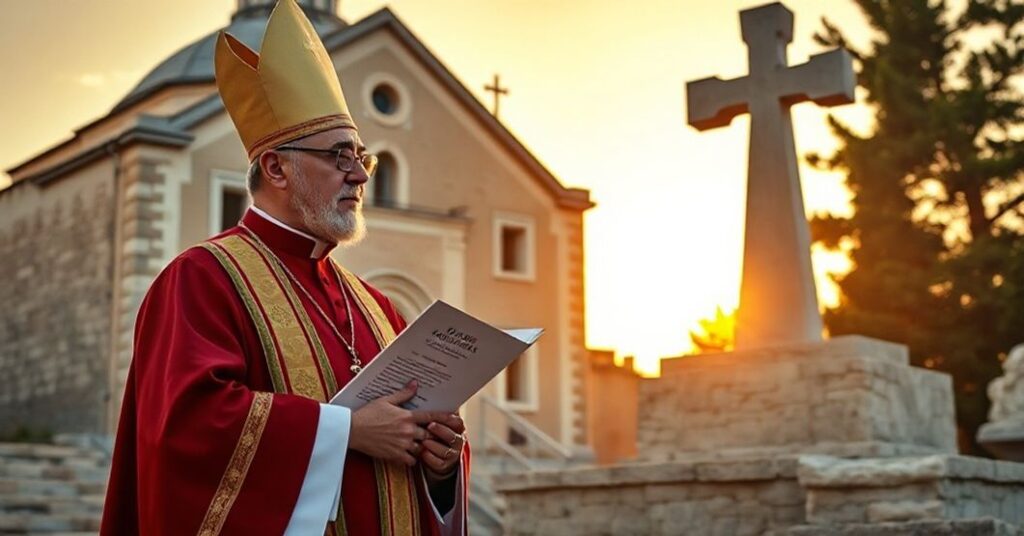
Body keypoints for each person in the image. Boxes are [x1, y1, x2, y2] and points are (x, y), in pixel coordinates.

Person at [99, 1, 468, 534]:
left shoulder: (377, 305)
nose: (359, 177)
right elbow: (185, 430)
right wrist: (346, 432)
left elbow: (408, 439)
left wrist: (440, 462)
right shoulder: (202, 278)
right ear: (275, 167)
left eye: (362, 158)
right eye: (340, 157)